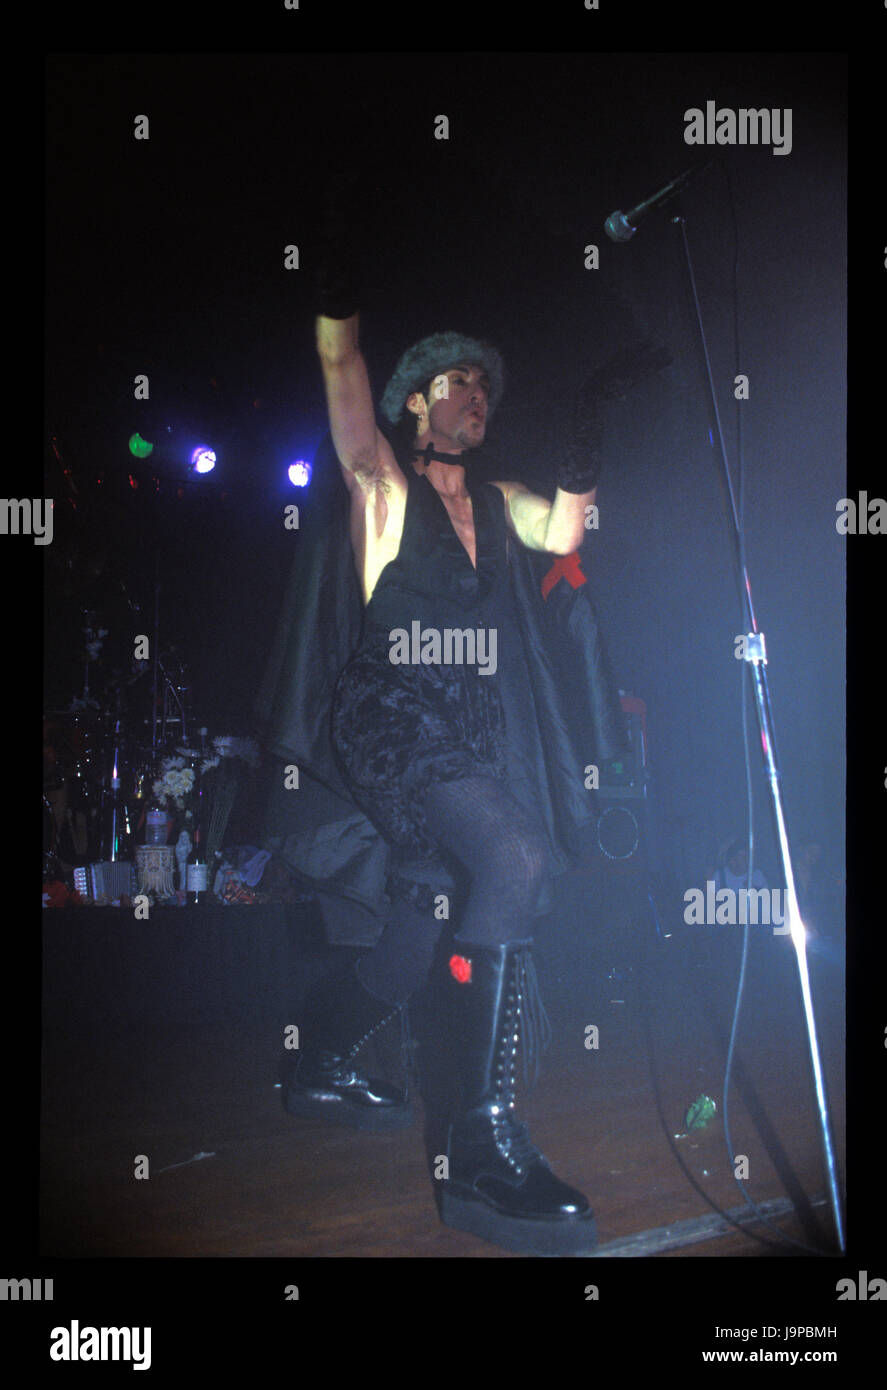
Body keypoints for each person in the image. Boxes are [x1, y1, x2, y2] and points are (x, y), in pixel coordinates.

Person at [258, 202, 667, 1255]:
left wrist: (586, 421)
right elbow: (347, 408)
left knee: (425, 906)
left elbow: (566, 526)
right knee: (514, 858)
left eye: (483, 386)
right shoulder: (385, 487)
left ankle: (319, 1058)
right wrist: (337, 311)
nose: (473, 397)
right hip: (391, 710)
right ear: (415, 402)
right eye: (453, 383)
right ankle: (478, 1154)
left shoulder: (502, 495)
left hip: (478, 729)